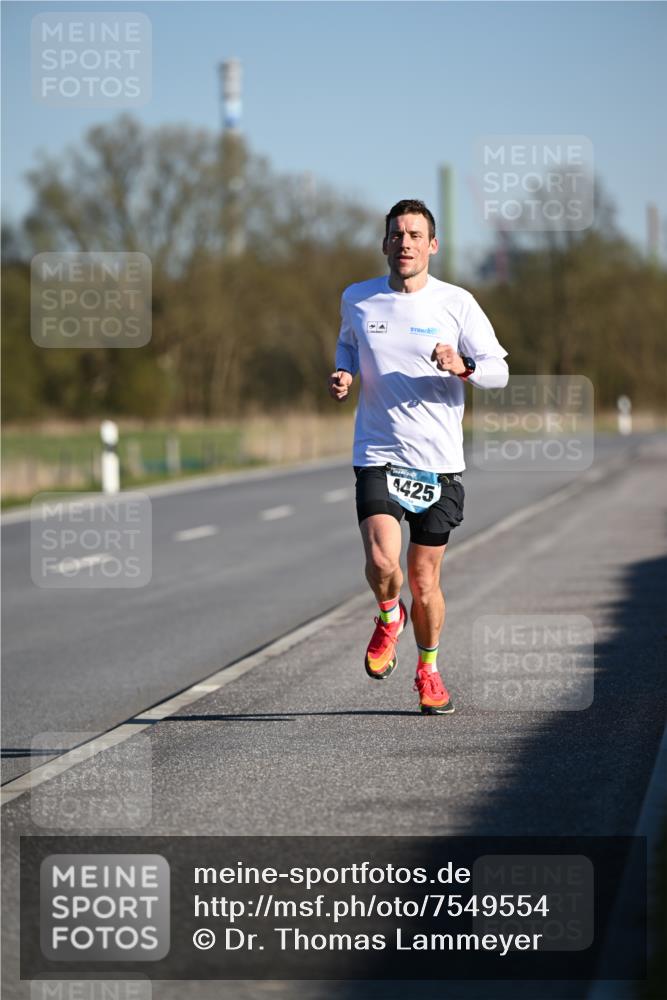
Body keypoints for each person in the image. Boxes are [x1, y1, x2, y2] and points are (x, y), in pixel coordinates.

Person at [328, 198, 509, 714]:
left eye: (414, 235)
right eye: (396, 234)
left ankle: (428, 668)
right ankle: (389, 617)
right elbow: (346, 346)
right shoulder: (358, 299)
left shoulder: (457, 303)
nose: (404, 243)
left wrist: (463, 363)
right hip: (379, 452)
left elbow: (500, 370)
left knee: (425, 580)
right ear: (384, 242)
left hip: (440, 462)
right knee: (382, 560)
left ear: (431, 245)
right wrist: (344, 372)